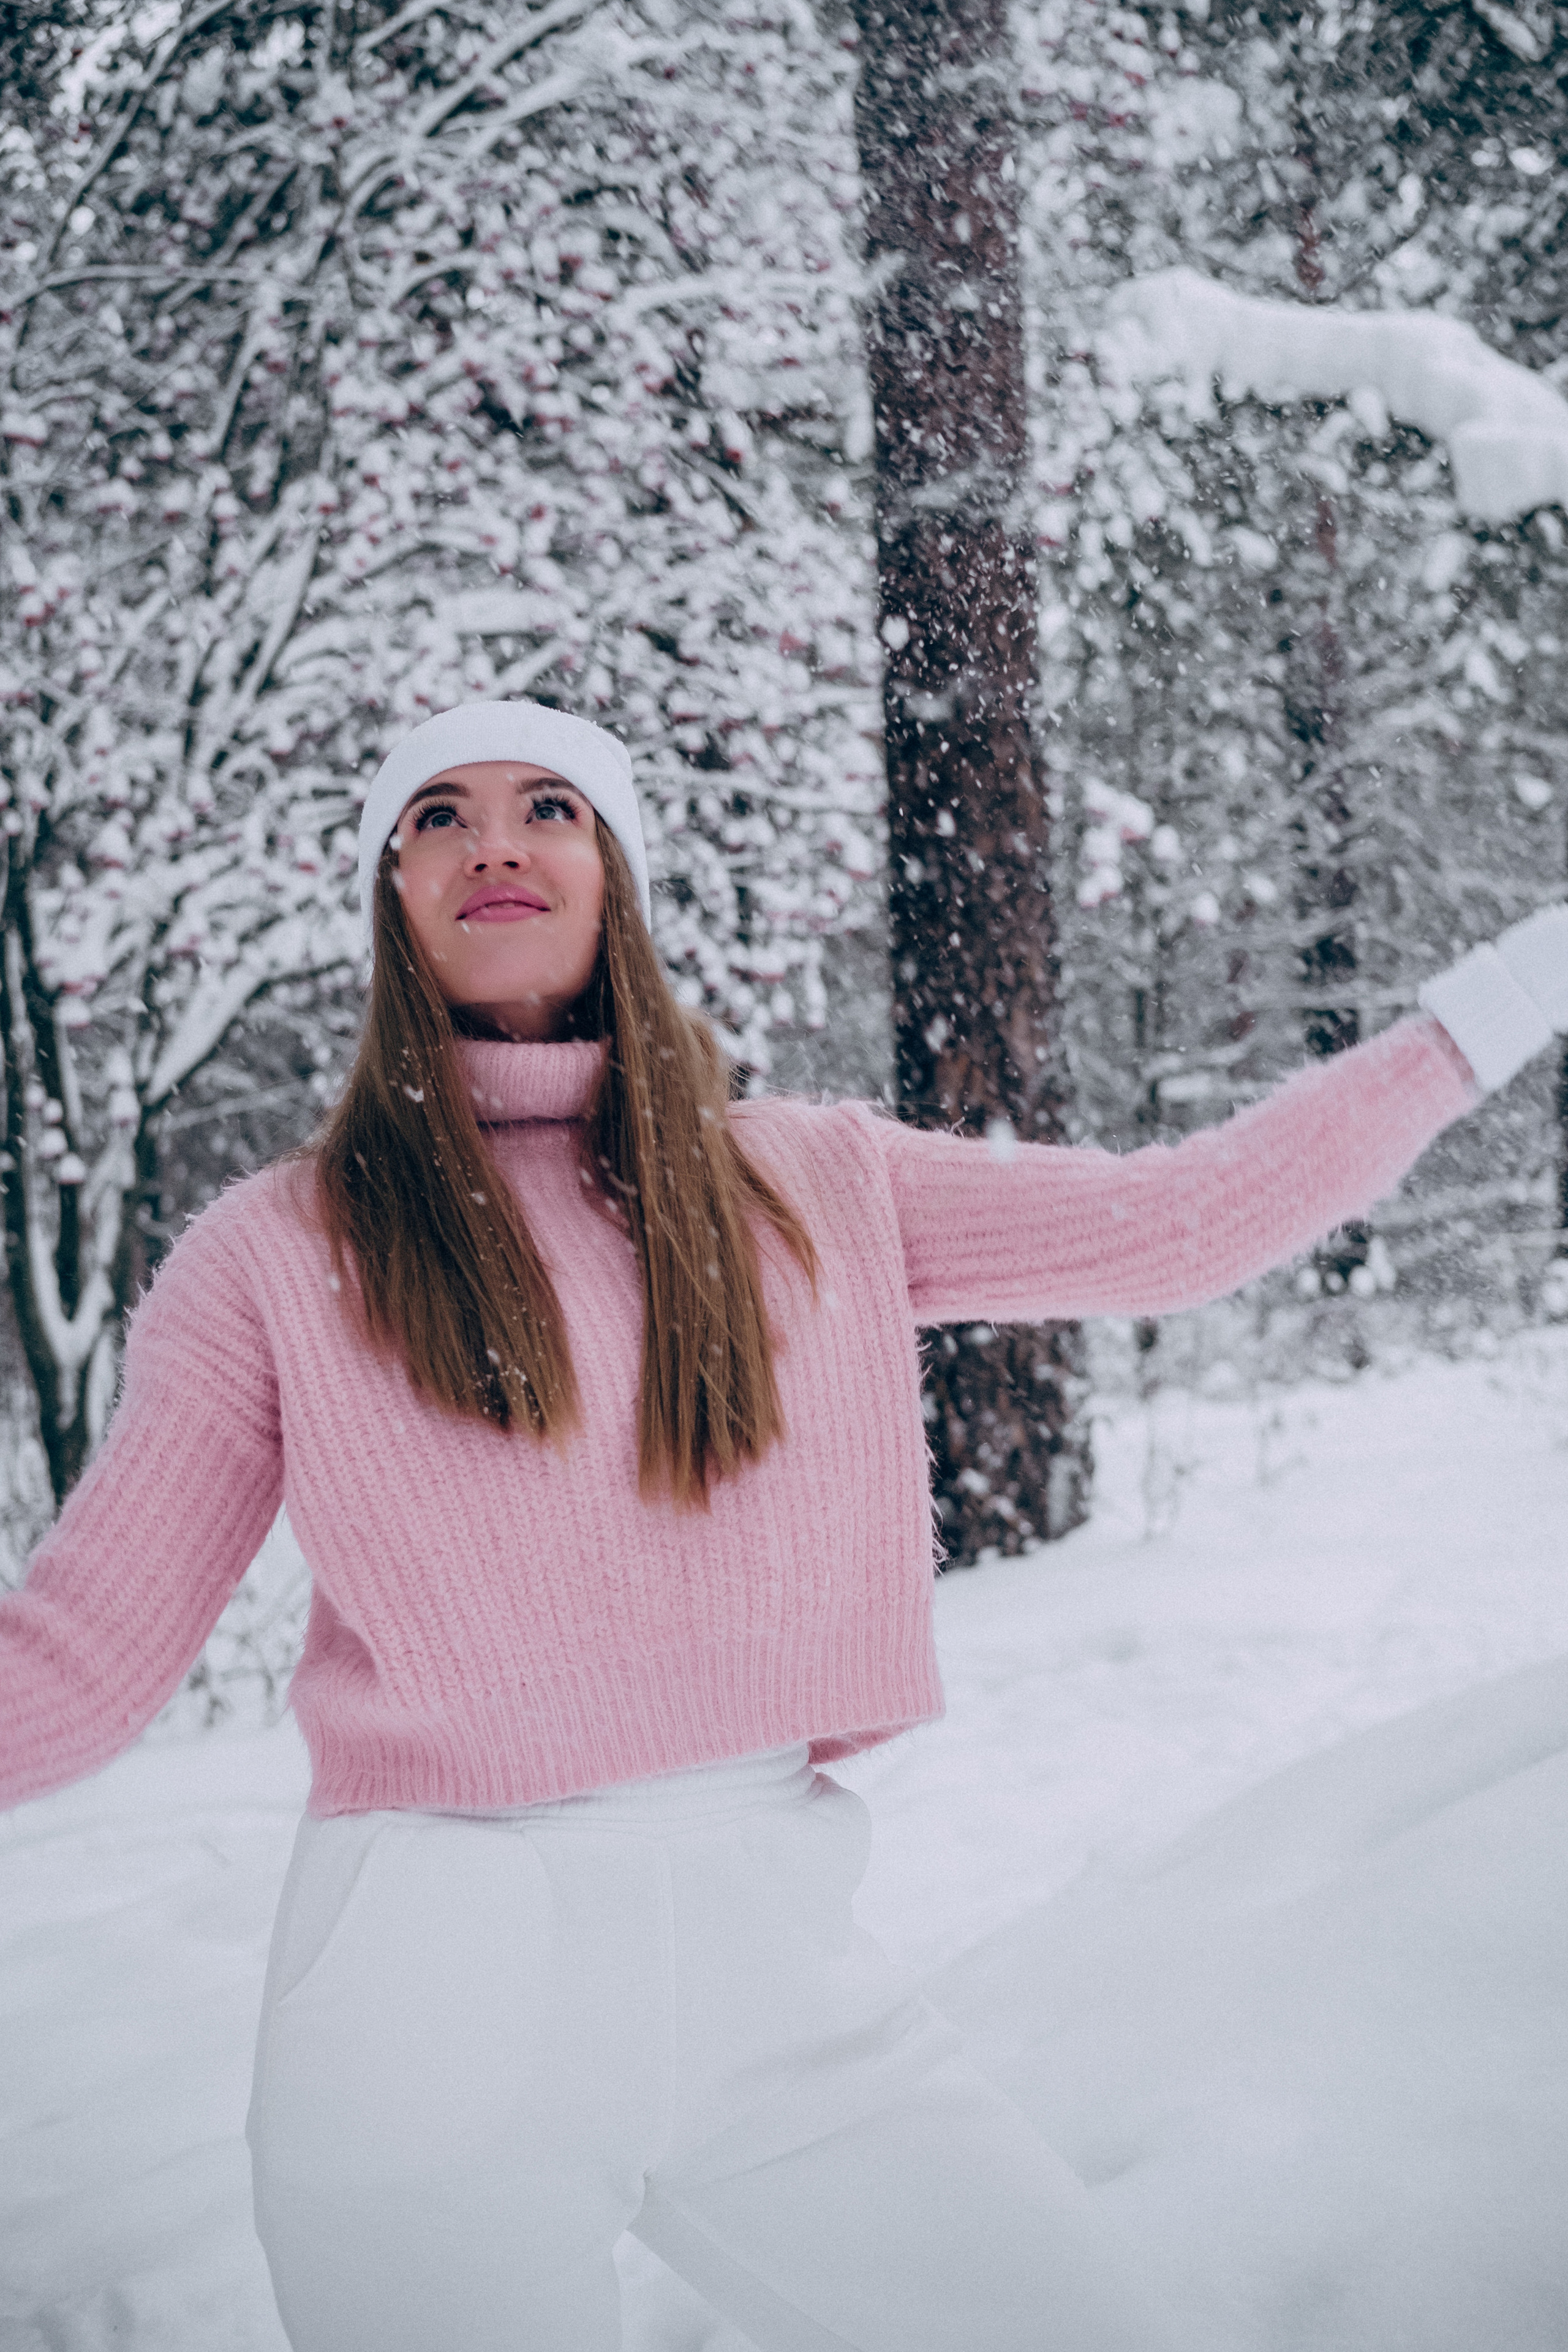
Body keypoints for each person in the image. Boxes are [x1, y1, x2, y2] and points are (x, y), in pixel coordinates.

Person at [2, 697, 1565, 2352]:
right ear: (391, 893)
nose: (493, 845)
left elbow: (1176, 1226)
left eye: (548, 806)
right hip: (431, 2003)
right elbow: (88, 1658)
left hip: (781, 1977)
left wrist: (1497, 1005)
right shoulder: (277, 1249)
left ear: (618, 875)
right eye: (437, 818)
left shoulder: (812, 1180)